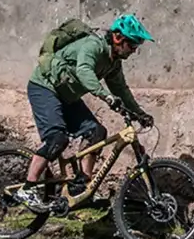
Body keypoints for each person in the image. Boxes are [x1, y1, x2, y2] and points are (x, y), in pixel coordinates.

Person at [21, 14, 155, 212]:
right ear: (118, 38)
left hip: (67, 97)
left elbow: (122, 91)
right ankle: (28, 187)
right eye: (132, 44)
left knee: (96, 132)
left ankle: (81, 186)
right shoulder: (92, 46)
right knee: (57, 138)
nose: (134, 50)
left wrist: (140, 114)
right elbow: (84, 71)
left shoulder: (113, 63)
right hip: (44, 88)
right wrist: (106, 97)